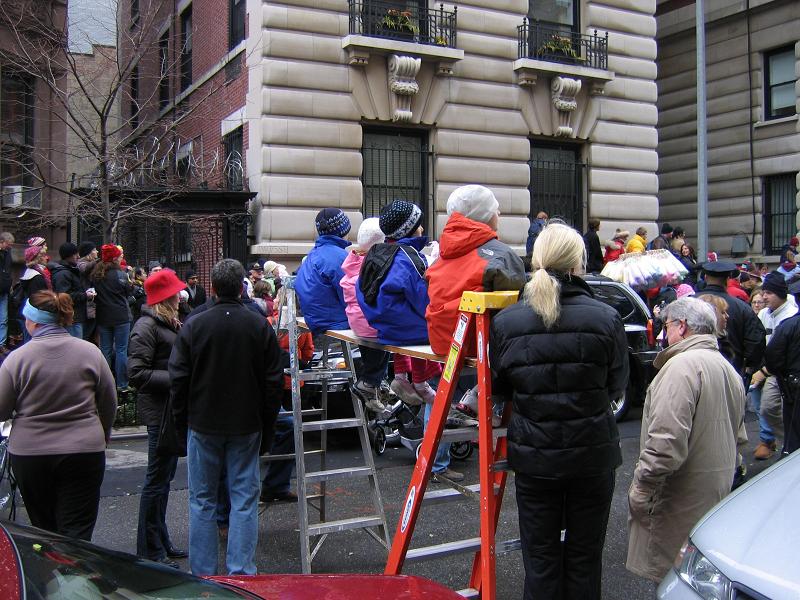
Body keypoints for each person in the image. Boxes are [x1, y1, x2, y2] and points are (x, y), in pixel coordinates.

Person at [490, 222, 628, 600]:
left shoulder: (507, 321)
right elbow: (616, 385)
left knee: (540, 558)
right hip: (592, 454)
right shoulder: (606, 317)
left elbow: (500, 389)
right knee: (585, 557)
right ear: (577, 263)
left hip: (535, 456)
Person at [169, 258, 284, 576]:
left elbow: (178, 379)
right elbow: (273, 382)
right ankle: (241, 571)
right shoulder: (258, 325)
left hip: (203, 422)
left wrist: (182, 422)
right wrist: (267, 425)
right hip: (246, 424)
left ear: (214, 288)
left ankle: (204, 573)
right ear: (241, 287)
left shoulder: (195, 324)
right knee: (244, 498)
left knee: (202, 500)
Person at [626, 297, 746, 582]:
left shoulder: (680, 368)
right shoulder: (726, 368)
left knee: (673, 579)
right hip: (713, 494)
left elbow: (664, 445)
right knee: (697, 580)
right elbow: (740, 438)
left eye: (666, 325)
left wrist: (641, 489)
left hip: (676, 497)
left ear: (682, 326)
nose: (663, 333)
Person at [0, 291, 117, 540]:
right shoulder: (91, 353)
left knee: (44, 530)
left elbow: (2, 409)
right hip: (84, 450)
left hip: (30, 453)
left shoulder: (16, 360)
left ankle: (49, 564)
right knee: (78, 532)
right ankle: (75, 564)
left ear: (33, 322)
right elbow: (109, 401)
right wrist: (103, 432)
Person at [128, 269, 188, 568]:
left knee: (163, 481)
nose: (180, 297)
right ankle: (151, 550)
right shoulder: (146, 327)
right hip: (159, 413)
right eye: (176, 293)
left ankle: (160, 541)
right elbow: (136, 373)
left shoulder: (164, 323)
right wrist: (177, 378)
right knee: (156, 482)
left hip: (168, 410)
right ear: (167, 297)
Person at [340, 218, 393, 413]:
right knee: (386, 341)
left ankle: (376, 381)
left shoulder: (353, 261)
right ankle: (370, 382)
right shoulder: (376, 265)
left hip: (356, 320)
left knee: (373, 349)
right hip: (370, 322)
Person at [750, 272, 798, 460]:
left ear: (780, 293)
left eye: (769, 293)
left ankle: (789, 443)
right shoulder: (764, 313)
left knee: (773, 408)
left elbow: (783, 353)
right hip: (766, 367)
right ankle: (779, 441)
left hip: (781, 371)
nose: (763, 297)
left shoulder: (790, 316)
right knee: (763, 408)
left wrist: (764, 371)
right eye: (763, 292)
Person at [697, 261, 765, 385]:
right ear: (728, 279)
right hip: (732, 371)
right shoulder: (742, 308)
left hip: (695, 370)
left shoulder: (689, 303)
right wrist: (747, 366)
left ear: (706, 277)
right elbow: (756, 342)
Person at [295, 208, 351, 333]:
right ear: (344, 230)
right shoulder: (340, 257)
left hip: (314, 320)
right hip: (336, 322)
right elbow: (350, 296)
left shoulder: (312, 254)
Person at [763, 280, 800, 456]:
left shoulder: (789, 325)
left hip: (793, 386)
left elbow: (772, 357)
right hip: (792, 383)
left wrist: (780, 373)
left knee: (795, 432)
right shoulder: (788, 324)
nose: (764, 297)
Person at [91, 244, 134, 392]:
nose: (121, 258)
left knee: (105, 349)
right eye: (119, 256)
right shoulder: (120, 275)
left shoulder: (96, 275)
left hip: (103, 316)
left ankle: (105, 383)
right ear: (115, 258)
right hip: (121, 316)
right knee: (122, 350)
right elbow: (128, 292)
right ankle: (122, 384)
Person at [51, 242, 92, 339]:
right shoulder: (63, 274)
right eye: (75, 254)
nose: (78, 256)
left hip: (75, 317)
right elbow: (64, 297)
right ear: (68, 256)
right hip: (71, 319)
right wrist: (85, 295)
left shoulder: (71, 271)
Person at [18, 244, 51, 343]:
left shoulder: (31, 273)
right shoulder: (37, 277)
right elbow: (38, 299)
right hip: (35, 317)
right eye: (43, 255)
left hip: (31, 315)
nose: (46, 258)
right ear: (38, 258)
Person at [77, 241, 98, 342]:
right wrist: (98, 261)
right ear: (88, 252)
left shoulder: (94, 264)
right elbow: (85, 269)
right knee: (86, 336)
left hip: (93, 304)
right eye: (94, 250)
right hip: (87, 305)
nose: (97, 251)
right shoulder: (80, 263)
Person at [0, 232, 14, 353]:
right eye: (8, 244)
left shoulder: (7, 253)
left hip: (4, 290)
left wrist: (9, 285)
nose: (10, 247)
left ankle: (1, 344)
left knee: (3, 319)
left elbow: (8, 271)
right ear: (2, 242)